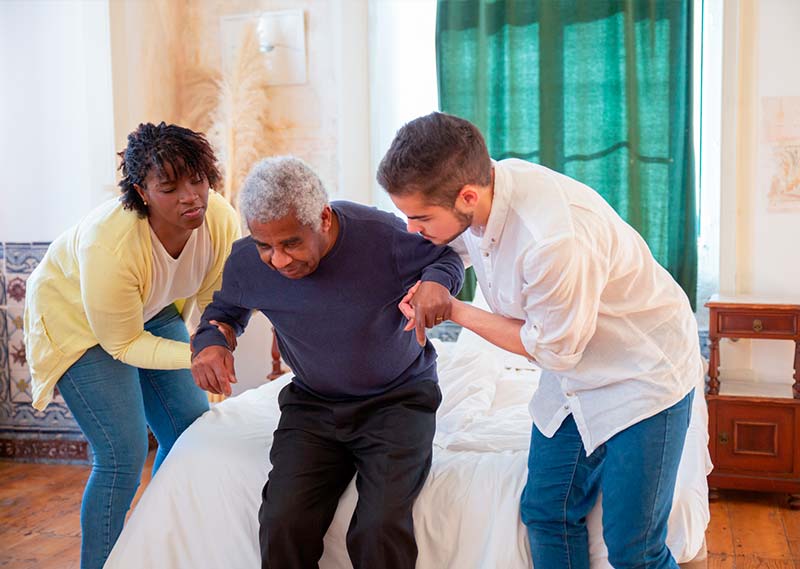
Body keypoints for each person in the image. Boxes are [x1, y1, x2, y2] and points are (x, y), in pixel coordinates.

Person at [377, 112, 703, 569]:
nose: (413, 229)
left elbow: (552, 350)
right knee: (546, 513)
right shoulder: (485, 190)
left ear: (468, 195)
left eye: (420, 217)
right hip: (574, 372)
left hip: (643, 374)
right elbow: (453, 248)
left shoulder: (551, 240)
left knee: (634, 549)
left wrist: (456, 310)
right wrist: (435, 280)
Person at [190, 156, 464, 569]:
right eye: (266, 245)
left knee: (378, 527)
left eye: (291, 243)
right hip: (314, 405)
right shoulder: (247, 262)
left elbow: (446, 259)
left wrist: (436, 284)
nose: (278, 260)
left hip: (397, 401)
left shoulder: (381, 235)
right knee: (282, 520)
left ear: (323, 217)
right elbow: (223, 314)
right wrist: (211, 344)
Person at [24, 122, 240, 569]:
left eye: (198, 179)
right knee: (121, 453)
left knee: (188, 433)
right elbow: (121, 343)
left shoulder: (218, 217)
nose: (191, 197)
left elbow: (216, 303)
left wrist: (216, 342)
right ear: (142, 191)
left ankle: (150, 550)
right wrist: (197, 355)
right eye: (170, 187)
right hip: (76, 319)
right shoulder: (111, 243)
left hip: (148, 304)